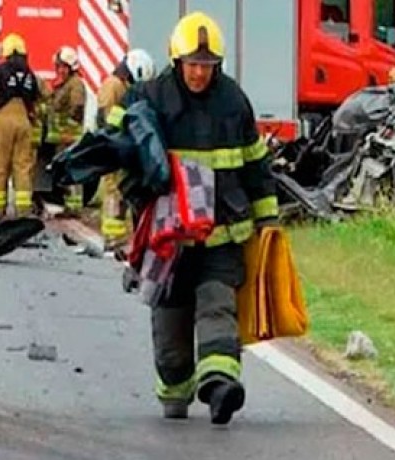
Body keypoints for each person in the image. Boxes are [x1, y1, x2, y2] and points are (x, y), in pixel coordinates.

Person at [111, 12, 279, 424]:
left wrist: (268, 221)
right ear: (176, 60)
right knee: (170, 337)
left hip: (222, 234)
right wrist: (138, 193)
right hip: (169, 240)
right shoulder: (148, 98)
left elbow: (256, 165)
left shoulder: (233, 101)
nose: (200, 73)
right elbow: (118, 149)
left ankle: (221, 387)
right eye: (193, 64)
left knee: (217, 304)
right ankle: (176, 391)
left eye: (207, 65)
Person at [95, 49, 155, 251]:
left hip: (118, 146)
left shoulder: (120, 86)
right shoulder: (113, 86)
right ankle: (113, 237)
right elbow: (108, 120)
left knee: (120, 191)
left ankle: (118, 236)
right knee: (113, 191)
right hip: (112, 146)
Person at [0, 33, 40, 218]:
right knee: (23, 166)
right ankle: (23, 211)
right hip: (24, 120)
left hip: (4, 118)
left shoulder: (0, 70)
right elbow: (34, 100)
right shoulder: (29, 73)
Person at [48, 46, 86, 217]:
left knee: (72, 172)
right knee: (65, 172)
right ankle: (68, 205)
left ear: (71, 67)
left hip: (70, 137)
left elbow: (77, 107)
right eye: (58, 67)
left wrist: (68, 127)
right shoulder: (65, 84)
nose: (60, 70)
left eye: (63, 67)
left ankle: (74, 208)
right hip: (62, 138)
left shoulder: (75, 84)